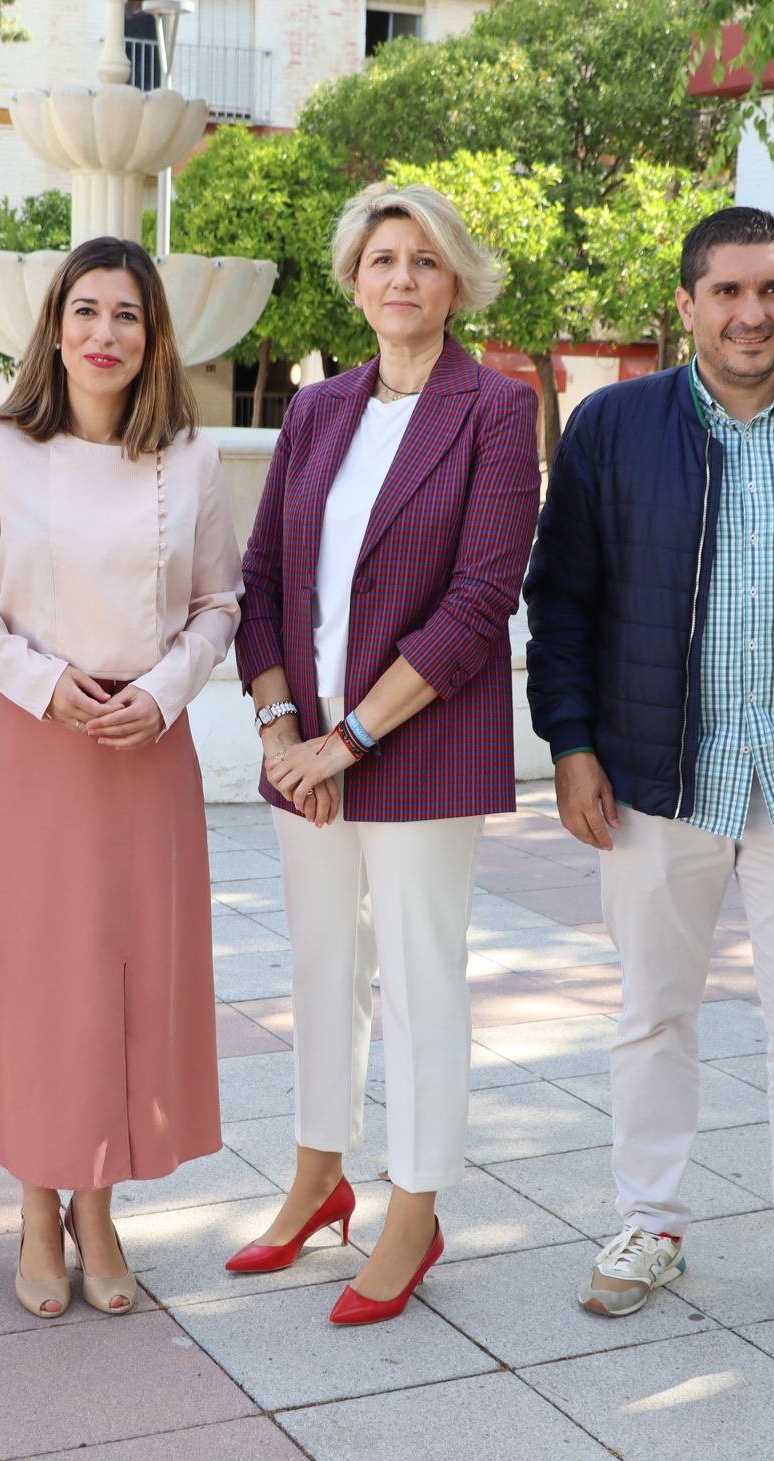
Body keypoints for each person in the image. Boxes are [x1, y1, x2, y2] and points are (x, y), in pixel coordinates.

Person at [524, 206, 774, 1342]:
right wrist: (572, 744)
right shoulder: (612, 426)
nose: (752, 313)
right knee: (653, 1014)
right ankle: (651, 1219)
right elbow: (564, 600)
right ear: (685, 304)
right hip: (655, 775)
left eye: (772, 290)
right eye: (728, 292)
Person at [0, 235, 242, 1320]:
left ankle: (98, 1207)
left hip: (145, 748)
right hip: (38, 740)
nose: (106, 333)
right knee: (40, 982)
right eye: (87, 311)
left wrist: (169, 689)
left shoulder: (191, 459)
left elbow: (218, 606)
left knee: (125, 980)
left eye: (128, 316)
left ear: (154, 340)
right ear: (56, 327)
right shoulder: (1, 448)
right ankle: (33, 1205)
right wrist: (39, 681)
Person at [231, 182, 540, 1326]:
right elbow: (262, 579)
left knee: (416, 980)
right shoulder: (317, 412)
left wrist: (347, 740)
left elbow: (480, 601)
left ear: (455, 279)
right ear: (354, 282)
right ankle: (319, 1175)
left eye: (422, 258)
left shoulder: (497, 412)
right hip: (302, 748)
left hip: (412, 747)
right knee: (319, 965)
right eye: (380, 259)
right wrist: (281, 732)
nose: (400, 277)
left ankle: (415, 1205)